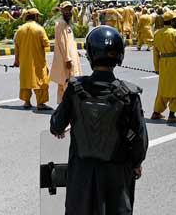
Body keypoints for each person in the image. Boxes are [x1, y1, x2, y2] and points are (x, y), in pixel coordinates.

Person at [50, 26, 148, 215]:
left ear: (90, 54)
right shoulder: (129, 94)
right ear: (119, 55)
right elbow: (139, 137)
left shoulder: (75, 88)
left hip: (81, 174)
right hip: (116, 175)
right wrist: (136, 164)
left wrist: (60, 127)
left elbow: (56, 125)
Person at [151, 11, 176, 124]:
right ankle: (172, 115)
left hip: (163, 62)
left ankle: (156, 111)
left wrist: (157, 68)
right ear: (172, 21)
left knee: (163, 88)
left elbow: (155, 53)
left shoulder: (157, 33)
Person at [13, 8, 52, 110]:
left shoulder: (20, 30)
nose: (39, 18)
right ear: (35, 16)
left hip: (24, 61)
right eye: (38, 16)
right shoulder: (39, 29)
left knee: (26, 80)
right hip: (37, 61)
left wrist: (16, 60)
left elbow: (16, 46)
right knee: (41, 81)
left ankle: (27, 102)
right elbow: (46, 43)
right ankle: (40, 103)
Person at [50, 2, 82, 103]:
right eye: (65, 9)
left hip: (71, 57)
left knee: (66, 82)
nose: (68, 12)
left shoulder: (66, 23)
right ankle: (68, 105)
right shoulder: (61, 24)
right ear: (61, 11)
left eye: (69, 9)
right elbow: (63, 43)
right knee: (67, 81)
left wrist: (76, 52)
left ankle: (64, 104)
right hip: (67, 59)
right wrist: (68, 59)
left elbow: (69, 42)